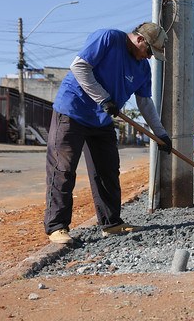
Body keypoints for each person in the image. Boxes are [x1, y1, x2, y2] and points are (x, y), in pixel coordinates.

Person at [44, 22, 172, 245]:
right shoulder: (108, 38)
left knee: (108, 171)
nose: (150, 57)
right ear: (140, 40)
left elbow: (145, 102)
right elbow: (80, 67)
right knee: (63, 169)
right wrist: (103, 98)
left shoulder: (143, 69)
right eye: (150, 52)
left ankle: (111, 223)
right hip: (72, 111)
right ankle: (57, 226)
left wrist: (160, 133)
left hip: (101, 120)